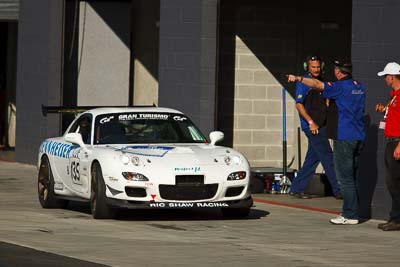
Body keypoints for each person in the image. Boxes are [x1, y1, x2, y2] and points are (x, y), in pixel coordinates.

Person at [287, 58, 366, 225]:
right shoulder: (359, 87)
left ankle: (349, 213)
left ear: (338, 72)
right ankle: (297, 187)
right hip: (358, 135)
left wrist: (299, 78)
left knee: (345, 177)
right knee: (320, 161)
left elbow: (318, 86)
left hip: (344, 136)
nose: (317, 69)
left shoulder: (338, 87)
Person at [290, 55, 341, 199]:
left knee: (312, 159)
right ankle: (338, 190)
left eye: (318, 66)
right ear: (307, 67)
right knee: (327, 156)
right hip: (313, 126)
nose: (316, 69)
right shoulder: (304, 83)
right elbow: (299, 105)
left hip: (322, 125)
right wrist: (311, 122)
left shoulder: (321, 82)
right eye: (313, 67)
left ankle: (296, 188)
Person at [375, 62, 400, 231]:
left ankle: (397, 220)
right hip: (391, 141)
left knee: (395, 182)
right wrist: (384, 109)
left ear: (392, 77)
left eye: (386, 76)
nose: (385, 79)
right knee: (392, 182)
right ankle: (394, 217)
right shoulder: (394, 96)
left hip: (397, 142)